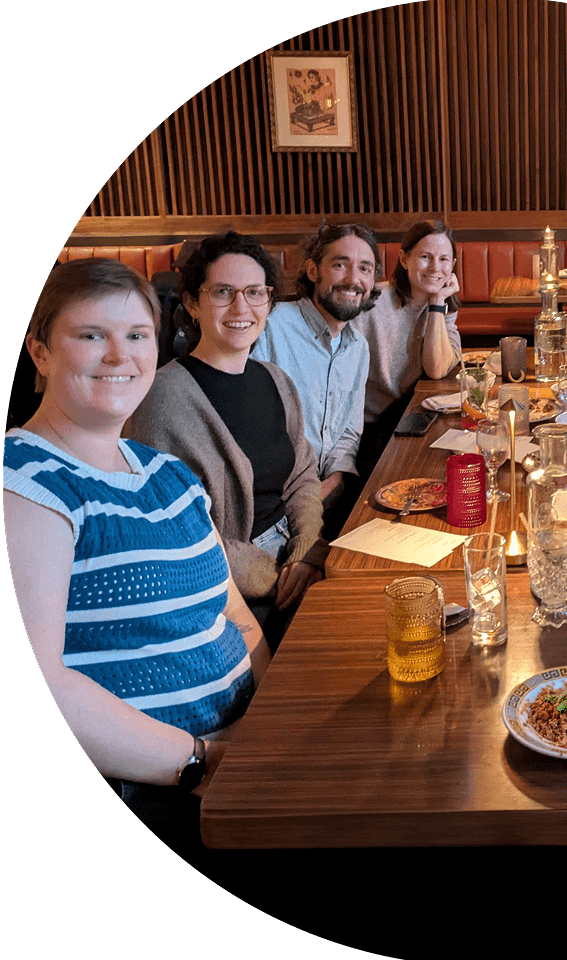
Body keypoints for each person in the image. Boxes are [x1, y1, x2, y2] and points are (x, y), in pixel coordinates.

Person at [4, 258, 269, 847]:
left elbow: (237, 617)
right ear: (40, 352)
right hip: (153, 788)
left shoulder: (167, 474)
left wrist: (273, 724)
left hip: (240, 749)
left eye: (136, 336)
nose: (119, 357)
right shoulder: (25, 480)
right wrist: (203, 762)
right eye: (91, 335)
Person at [127, 232, 327, 642]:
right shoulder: (163, 398)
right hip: (229, 588)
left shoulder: (275, 379)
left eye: (255, 292)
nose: (242, 307)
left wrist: (307, 549)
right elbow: (181, 531)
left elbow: (303, 476)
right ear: (192, 304)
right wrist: (279, 577)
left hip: (295, 557)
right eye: (223, 292)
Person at [250, 222, 379, 538]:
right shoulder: (271, 326)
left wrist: (337, 478)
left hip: (330, 497)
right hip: (274, 516)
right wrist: (308, 503)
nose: (353, 279)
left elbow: (348, 431)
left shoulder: (358, 347)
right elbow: (255, 440)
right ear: (312, 270)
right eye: (340, 265)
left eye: (365, 268)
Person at [355, 220, 462, 475]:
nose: (436, 267)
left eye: (444, 259)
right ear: (404, 260)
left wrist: (437, 303)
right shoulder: (372, 304)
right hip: (368, 431)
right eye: (425, 257)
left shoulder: (443, 306)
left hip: (408, 418)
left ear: (453, 266)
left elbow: (436, 368)